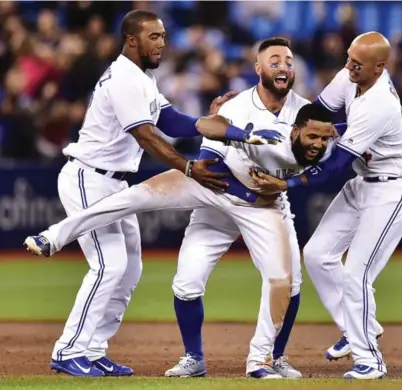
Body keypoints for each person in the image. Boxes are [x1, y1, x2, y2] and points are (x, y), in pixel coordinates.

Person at [23, 9, 259, 378]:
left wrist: (222, 128)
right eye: (154, 37)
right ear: (132, 40)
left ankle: (93, 348)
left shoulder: (142, 79)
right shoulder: (124, 78)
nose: (162, 43)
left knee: (130, 268)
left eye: (163, 36)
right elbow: (147, 135)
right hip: (90, 176)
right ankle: (68, 351)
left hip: (113, 181)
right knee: (108, 265)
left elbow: (172, 120)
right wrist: (186, 165)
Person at [24, 103, 335, 378]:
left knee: (283, 281)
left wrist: (288, 182)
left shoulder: (327, 144)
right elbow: (211, 141)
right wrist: (221, 126)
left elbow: (328, 168)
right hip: (213, 185)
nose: (318, 143)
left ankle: (262, 360)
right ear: (296, 130)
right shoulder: (269, 134)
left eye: (324, 137)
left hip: (261, 207)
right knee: (134, 197)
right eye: (312, 137)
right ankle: (54, 235)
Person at [251, 32, 402, 380]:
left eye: (357, 63)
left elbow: (333, 167)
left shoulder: (379, 104)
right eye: (348, 57)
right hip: (365, 182)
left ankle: (370, 360)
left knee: (356, 275)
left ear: (380, 67)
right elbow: (313, 111)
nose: (348, 66)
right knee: (317, 254)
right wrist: (259, 104)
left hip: (396, 188)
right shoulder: (351, 76)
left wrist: (286, 183)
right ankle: (356, 326)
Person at [164, 37, 322, 379]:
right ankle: (193, 358)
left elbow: (324, 161)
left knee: (290, 282)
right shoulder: (234, 107)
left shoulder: (307, 112)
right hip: (220, 201)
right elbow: (208, 161)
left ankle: (274, 357)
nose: (283, 66)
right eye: (275, 60)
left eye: (289, 61)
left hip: (268, 207)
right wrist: (244, 190)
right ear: (259, 68)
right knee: (186, 282)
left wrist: (286, 183)